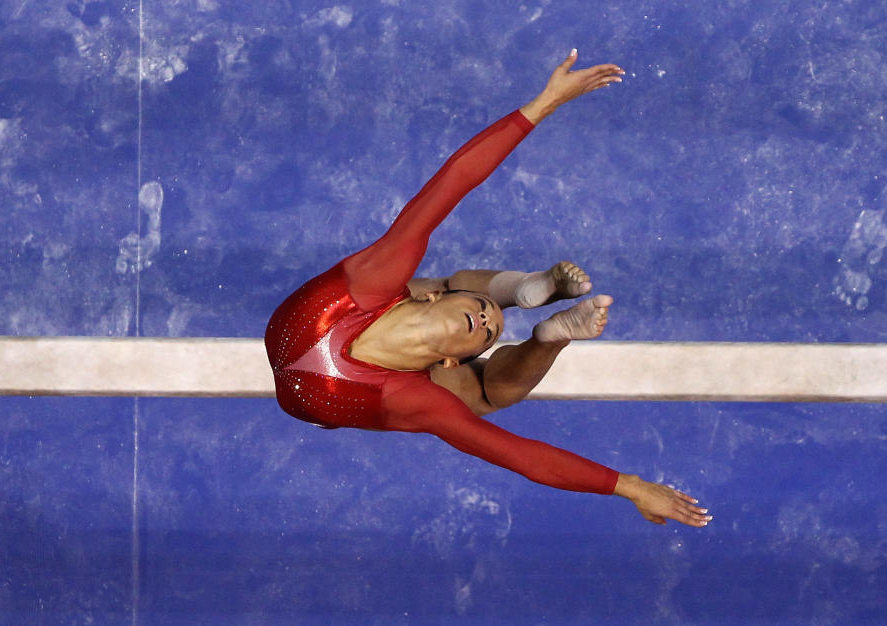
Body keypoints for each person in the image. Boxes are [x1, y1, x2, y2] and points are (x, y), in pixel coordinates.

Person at [265, 50, 711, 528]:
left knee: (482, 394)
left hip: (322, 378)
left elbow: (518, 456)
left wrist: (630, 488)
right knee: (482, 389)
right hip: (348, 320)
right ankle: (527, 296)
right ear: (435, 302)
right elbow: (454, 181)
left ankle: (548, 331)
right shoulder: (375, 278)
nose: (484, 321)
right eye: (484, 310)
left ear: (450, 361)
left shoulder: (419, 397)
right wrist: (545, 103)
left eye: (487, 334)